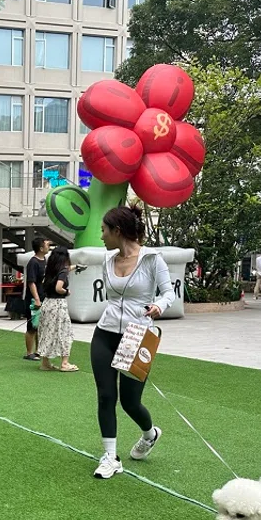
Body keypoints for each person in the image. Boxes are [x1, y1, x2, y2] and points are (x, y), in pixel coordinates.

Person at [90, 205, 175, 480]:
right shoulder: (106, 260)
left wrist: (159, 306)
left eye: (104, 230)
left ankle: (150, 434)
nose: (101, 235)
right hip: (105, 333)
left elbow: (168, 293)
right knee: (105, 394)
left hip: (137, 337)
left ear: (117, 231)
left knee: (130, 402)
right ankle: (110, 457)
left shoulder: (152, 259)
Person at [37, 247, 78, 372]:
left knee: (47, 332)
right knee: (64, 332)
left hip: (47, 303)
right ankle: (65, 363)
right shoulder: (63, 271)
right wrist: (67, 292)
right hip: (59, 305)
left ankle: (45, 362)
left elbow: (62, 273)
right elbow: (59, 287)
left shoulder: (50, 270)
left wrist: (75, 267)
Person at [23, 236, 50, 361]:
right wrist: (37, 299)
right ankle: (29, 353)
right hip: (34, 299)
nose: (48, 246)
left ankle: (39, 351)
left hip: (44, 296)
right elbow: (31, 282)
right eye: (46, 244)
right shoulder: (33, 262)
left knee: (42, 326)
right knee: (32, 326)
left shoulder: (44, 260)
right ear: (40, 248)